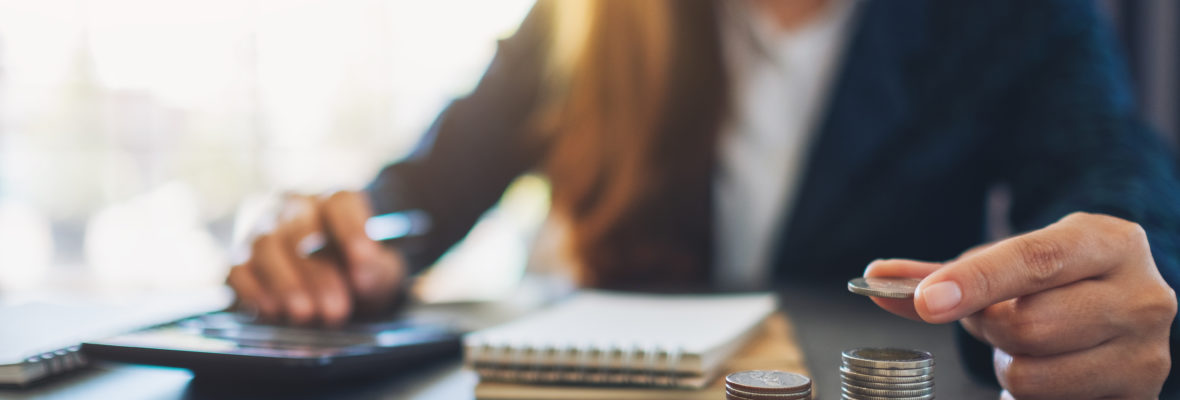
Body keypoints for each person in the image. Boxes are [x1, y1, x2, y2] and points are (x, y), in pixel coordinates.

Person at [226, 0, 1180, 398]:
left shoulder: (1013, 14)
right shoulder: (586, 18)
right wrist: (335, 241)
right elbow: (422, 194)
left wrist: (1121, 276)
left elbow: (1116, 177)